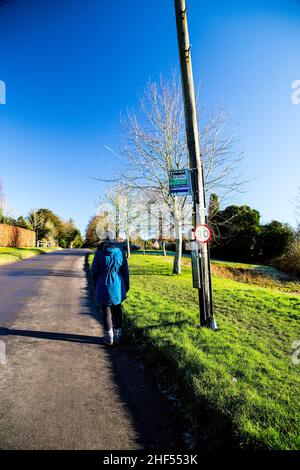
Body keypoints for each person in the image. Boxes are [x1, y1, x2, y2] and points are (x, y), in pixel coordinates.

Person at [91, 233, 129, 346]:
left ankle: (109, 338)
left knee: (106, 312)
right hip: (118, 285)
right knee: (118, 311)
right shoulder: (121, 253)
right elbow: (125, 272)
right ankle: (118, 336)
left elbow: (94, 272)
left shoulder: (98, 254)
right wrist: (126, 286)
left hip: (102, 285)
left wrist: (95, 285)